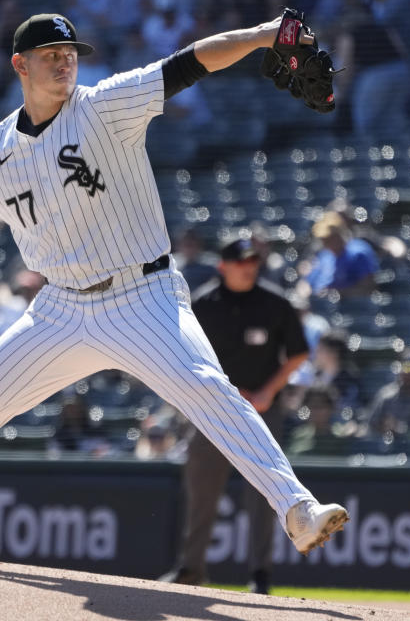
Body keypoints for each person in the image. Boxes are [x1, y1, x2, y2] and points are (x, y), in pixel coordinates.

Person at [0, 12, 349, 558]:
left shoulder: (105, 106)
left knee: (210, 390)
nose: (65, 60)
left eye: (70, 52)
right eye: (51, 54)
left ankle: (299, 510)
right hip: (60, 311)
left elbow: (192, 61)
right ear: (20, 64)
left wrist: (262, 35)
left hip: (143, 297)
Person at [162, 237, 309, 594]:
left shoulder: (275, 303)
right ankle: (191, 568)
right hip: (212, 411)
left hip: (261, 411)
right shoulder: (203, 304)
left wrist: (267, 392)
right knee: (202, 492)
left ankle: (260, 574)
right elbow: (181, 353)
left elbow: (298, 353)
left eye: (253, 261)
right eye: (241, 261)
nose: (249, 266)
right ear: (223, 266)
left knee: (263, 493)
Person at [306, 211, 378, 298]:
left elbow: (368, 288)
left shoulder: (358, 252)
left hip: (349, 307)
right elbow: (307, 284)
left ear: (339, 234)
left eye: (329, 239)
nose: (326, 243)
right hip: (321, 306)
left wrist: (337, 294)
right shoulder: (325, 256)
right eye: (324, 240)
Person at [367, 352, 410, 436]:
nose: (408, 374)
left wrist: (400, 428)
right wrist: (384, 426)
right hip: (389, 444)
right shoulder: (386, 395)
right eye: (406, 369)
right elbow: (371, 424)